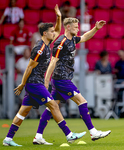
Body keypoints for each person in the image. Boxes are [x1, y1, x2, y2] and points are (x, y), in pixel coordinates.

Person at [3, 5, 86, 147]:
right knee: (53, 105)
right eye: (52, 31)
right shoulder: (40, 48)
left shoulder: (46, 44)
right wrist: (23, 84)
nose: (55, 33)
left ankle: (8, 139)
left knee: (23, 112)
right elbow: (29, 67)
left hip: (36, 84)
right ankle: (69, 134)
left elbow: (59, 29)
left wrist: (59, 17)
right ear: (45, 34)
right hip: (35, 84)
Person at [33, 18, 111, 144]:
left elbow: (85, 37)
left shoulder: (72, 40)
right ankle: (93, 132)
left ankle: (38, 136)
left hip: (61, 79)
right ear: (68, 27)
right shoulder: (61, 41)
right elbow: (53, 61)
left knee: (51, 108)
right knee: (82, 101)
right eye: (75, 27)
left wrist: (96, 28)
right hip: (61, 79)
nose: (78, 29)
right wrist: (46, 81)